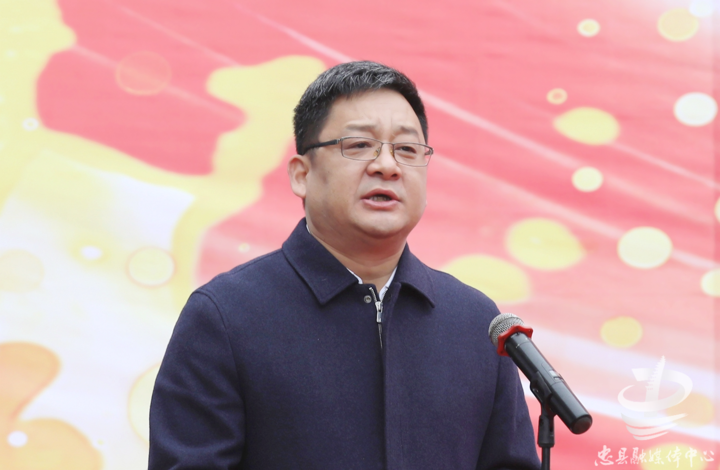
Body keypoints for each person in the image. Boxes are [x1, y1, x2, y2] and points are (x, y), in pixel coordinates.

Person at [149, 61, 541, 470]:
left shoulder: (474, 322)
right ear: (301, 175)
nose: (387, 165)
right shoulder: (226, 317)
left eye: (407, 149)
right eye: (358, 145)